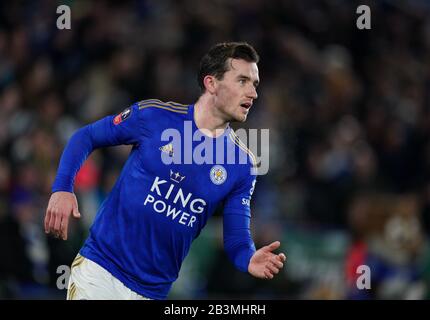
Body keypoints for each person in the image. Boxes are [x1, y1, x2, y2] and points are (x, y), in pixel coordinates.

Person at [44, 42, 287, 300]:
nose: (253, 93)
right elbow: (86, 136)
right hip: (100, 271)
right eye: (242, 81)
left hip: (154, 293)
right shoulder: (154, 117)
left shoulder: (242, 164)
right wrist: (62, 188)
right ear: (211, 83)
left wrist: (248, 258)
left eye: (255, 84)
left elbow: (236, 238)